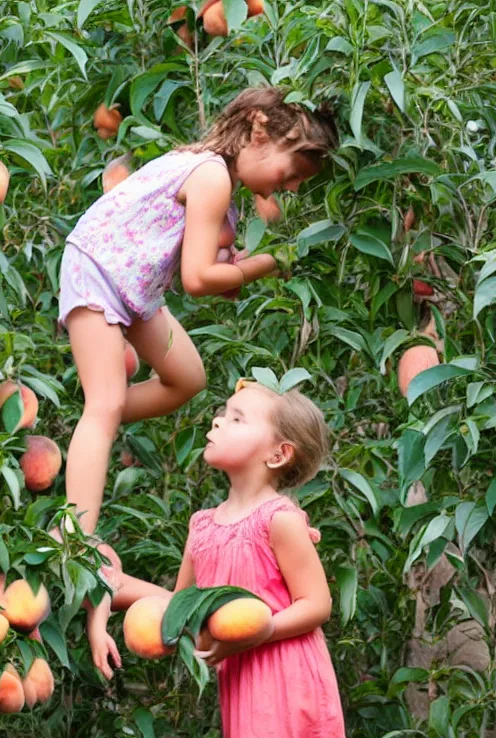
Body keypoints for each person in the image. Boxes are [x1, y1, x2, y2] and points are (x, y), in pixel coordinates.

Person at [57, 86, 339, 542]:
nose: (289, 188)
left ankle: (96, 417)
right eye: (292, 174)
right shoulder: (212, 177)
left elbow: (207, 268)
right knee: (105, 405)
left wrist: (238, 266)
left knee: (187, 380)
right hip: (100, 271)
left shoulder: (217, 179)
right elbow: (197, 279)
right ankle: (73, 539)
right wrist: (272, 262)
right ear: (259, 130)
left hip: (135, 287)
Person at [91, 378, 351, 738]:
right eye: (222, 413)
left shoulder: (279, 520)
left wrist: (257, 634)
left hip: (286, 678)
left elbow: (317, 604)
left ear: (278, 454)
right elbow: (180, 607)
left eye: (237, 418)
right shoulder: (203, 525)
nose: (216, 422)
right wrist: (102, 607)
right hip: (244, 682)